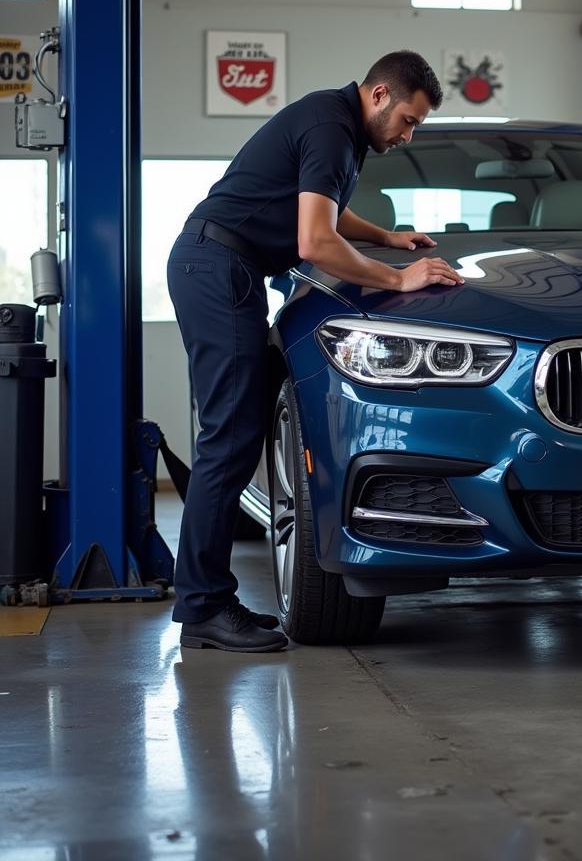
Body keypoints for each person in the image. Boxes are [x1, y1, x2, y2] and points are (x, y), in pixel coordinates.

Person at [166, 50, 463, 652]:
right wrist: (398, 276)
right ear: (379, 94)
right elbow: (314, 239)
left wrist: (385, 236)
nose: (408, 135)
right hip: (219, 266)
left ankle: (203, 600)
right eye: (408, 120)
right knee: (229, 438)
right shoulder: (332, 127)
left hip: (220, 264)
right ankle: (202, 606)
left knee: (233, 434)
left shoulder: (337, 123)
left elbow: (322, 205)